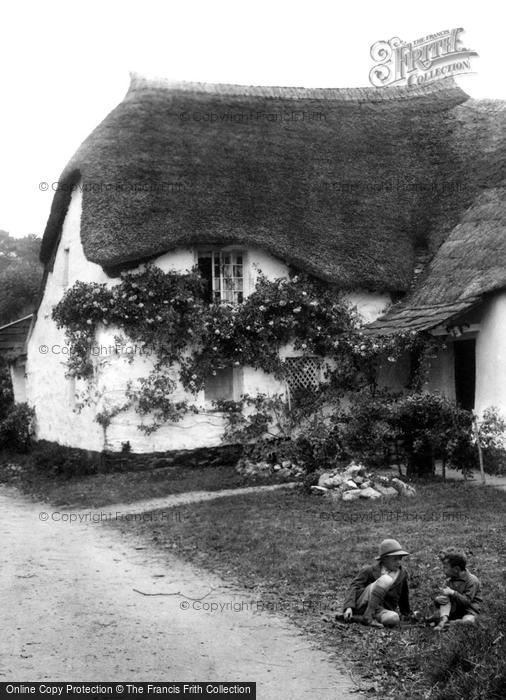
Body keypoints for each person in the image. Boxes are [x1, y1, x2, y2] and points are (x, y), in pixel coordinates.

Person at [338, 538, 411, 628]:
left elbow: (404, 596)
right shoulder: (369, 570)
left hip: (380, 610)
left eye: (400, 559)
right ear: (384, 559)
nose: (398, 562)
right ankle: (366, 616)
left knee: (394, 618)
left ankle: (361, 619)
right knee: (385, 580)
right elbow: (354, 587)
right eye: (395, 559)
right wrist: (348, 607)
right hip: (363, 605)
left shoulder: (402, 574)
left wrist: (407, 614)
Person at [426, 551, 482, 631]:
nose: (443, 570)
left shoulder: (472, 581)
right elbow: (446, 601)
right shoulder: (450, 580)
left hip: (468, 611)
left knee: (468, 621)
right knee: (443, 602)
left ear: (456, 569)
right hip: (454, 611)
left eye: (445, 567)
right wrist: (438, 600)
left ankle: (449, 624)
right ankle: (444, 621)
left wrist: (453, 593)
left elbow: (466, 603)